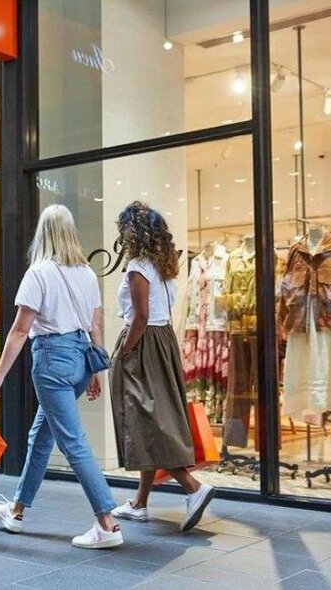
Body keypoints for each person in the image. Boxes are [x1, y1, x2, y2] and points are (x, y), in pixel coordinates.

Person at [0, 204, 122, 549]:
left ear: (42, 234)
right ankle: (16, 511)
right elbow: (95, 326)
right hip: (79, 360)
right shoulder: (87, 273)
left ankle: (107, 522)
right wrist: (95, 372)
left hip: (51, 361)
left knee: (72, 441)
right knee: (40, 437)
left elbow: (19, 331)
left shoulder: (39, 273)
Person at [109, 201, 216, 532]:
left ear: (132, 232)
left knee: (149, 419)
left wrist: (124, 352)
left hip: (144, 343)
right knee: (153, 415)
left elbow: (139, 318)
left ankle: (192, 487)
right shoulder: (164, 267)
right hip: (163, 340)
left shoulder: (138, 268)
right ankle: (140, 501)